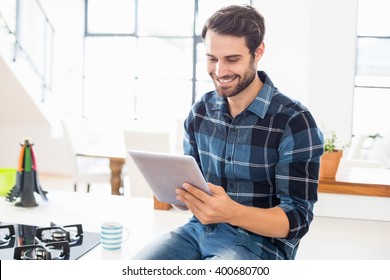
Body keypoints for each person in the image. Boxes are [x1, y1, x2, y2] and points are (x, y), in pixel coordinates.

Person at [132, 4, 324, 260]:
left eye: (232, 60)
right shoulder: (201, 111)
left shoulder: (294, 121)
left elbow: (297, 219)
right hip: (199, 231)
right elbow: (189, 197)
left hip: (261, 246)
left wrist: (231, 212)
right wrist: (179, 193)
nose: (220, 71)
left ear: (258, 52)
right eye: (212, 59)